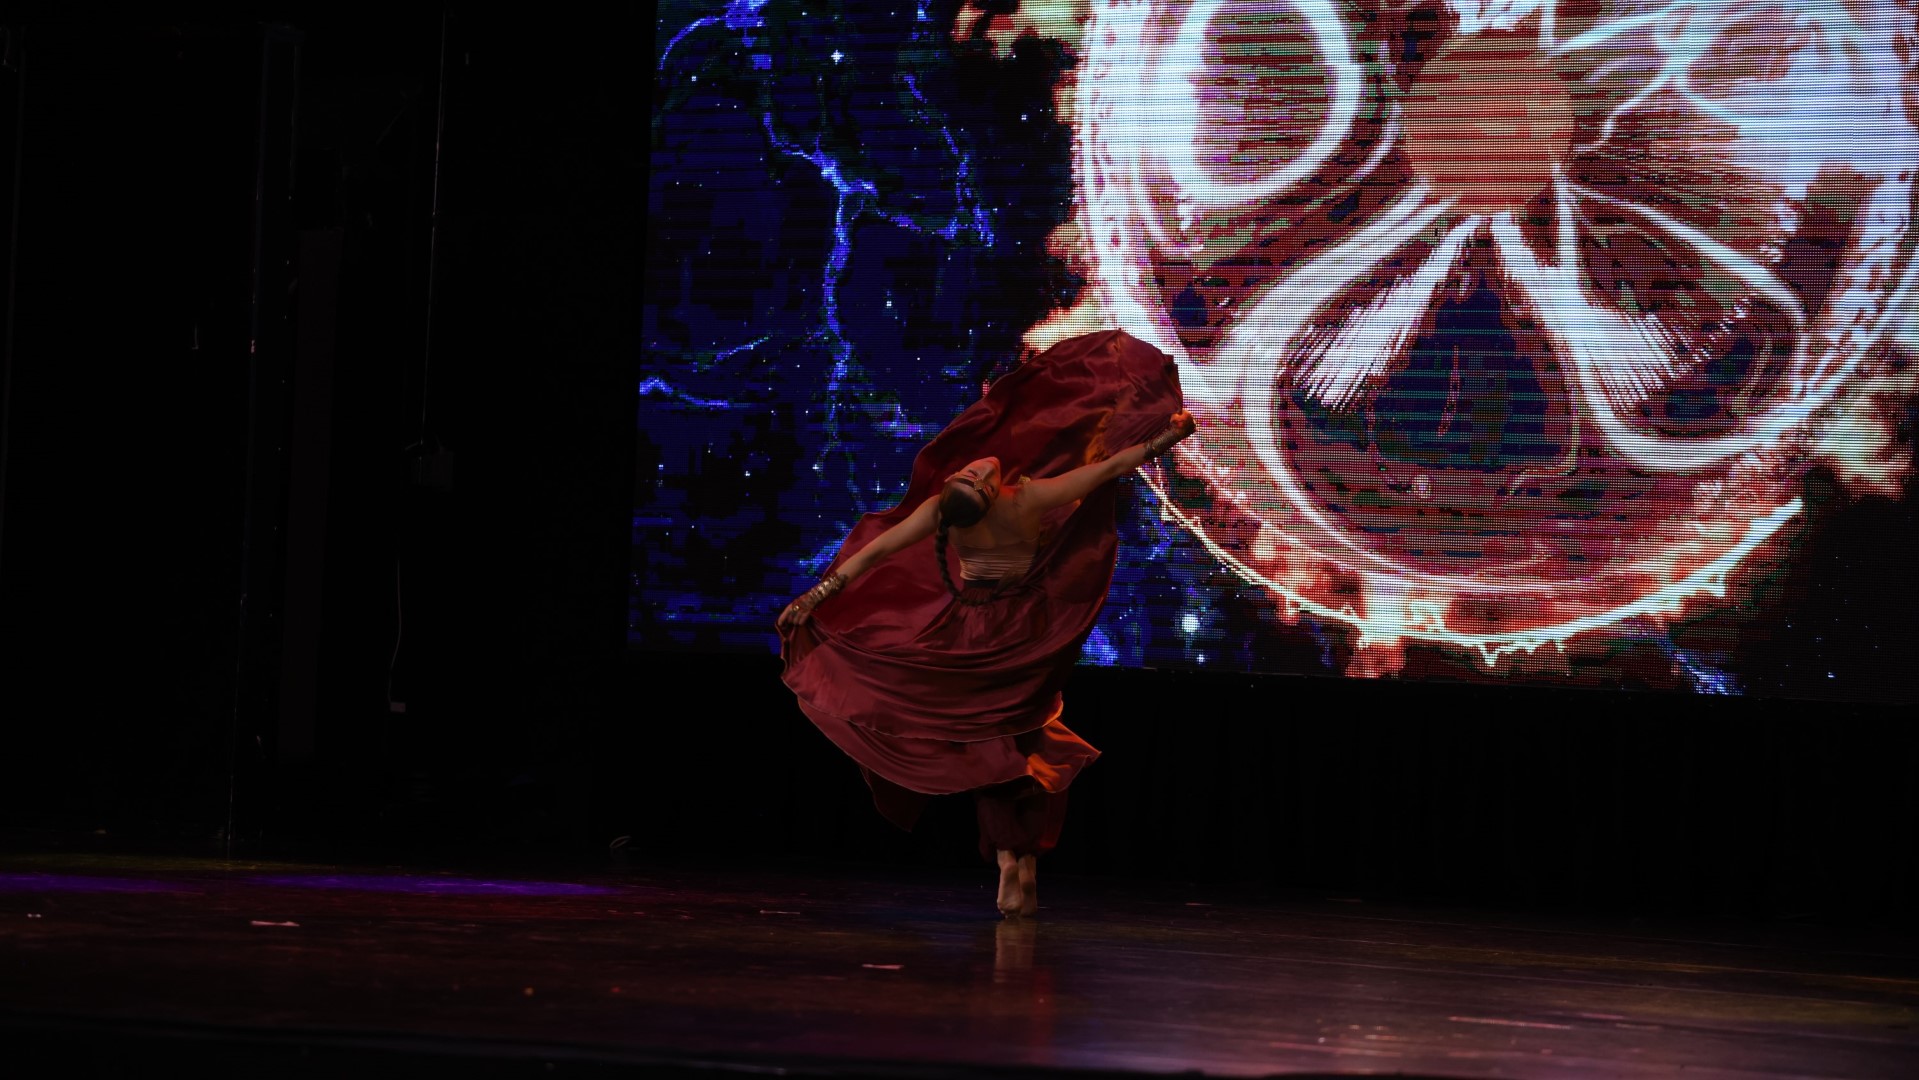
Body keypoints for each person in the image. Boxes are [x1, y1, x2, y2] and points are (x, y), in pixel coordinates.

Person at [777, 329, 1194, 918]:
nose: (978, 464)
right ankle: (1016, 860)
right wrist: (1169, 436)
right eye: (975, 472)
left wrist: (817, 594)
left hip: (967, 630)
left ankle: (1011, 861)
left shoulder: (944, 512)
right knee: (1014, 745)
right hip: (1023, 632)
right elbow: (1111, 468)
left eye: (968, 469)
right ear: (986, 490)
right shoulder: (1026, 499)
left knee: (1000, 746)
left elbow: (874, 553)